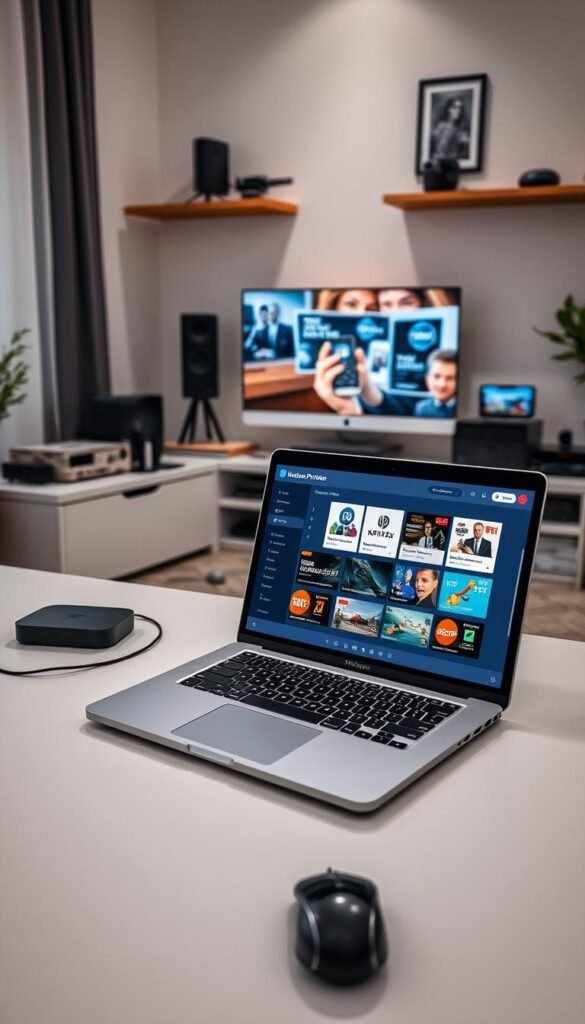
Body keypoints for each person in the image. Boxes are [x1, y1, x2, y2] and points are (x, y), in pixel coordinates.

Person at [414, 350, 458, 417]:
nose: (442, 384)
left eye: (450, 378)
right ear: (427, 379)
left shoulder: (466, 408)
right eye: (436, 376)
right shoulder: (421, 409)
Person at [430, 94, 470, 161]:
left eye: (460, 108)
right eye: (454, 107)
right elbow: (439, 150)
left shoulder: (461, 128)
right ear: (448, 109)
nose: (458, 110)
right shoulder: (442, 126)